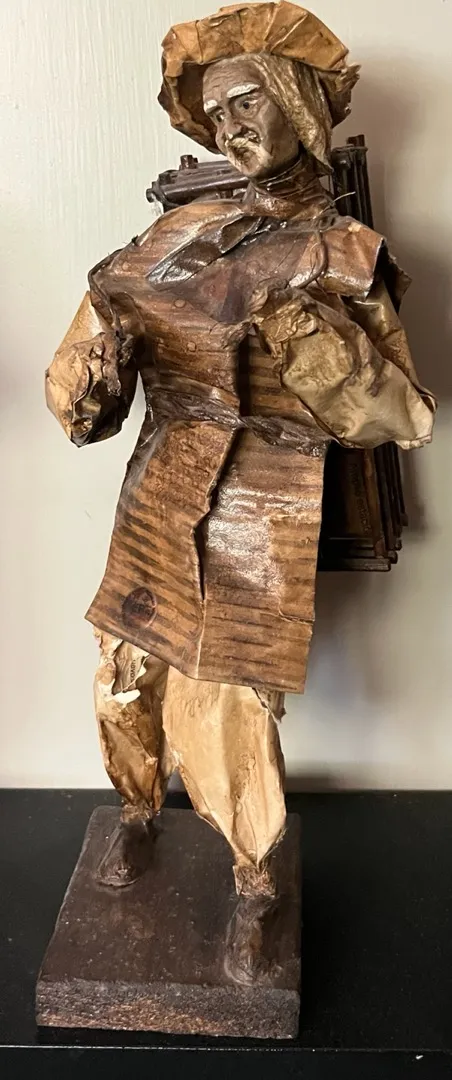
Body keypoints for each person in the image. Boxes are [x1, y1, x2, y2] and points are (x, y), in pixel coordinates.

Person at [45, 2, 435, 983]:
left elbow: (395, 413)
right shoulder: (170, 235)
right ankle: (137, 811)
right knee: (124, 673)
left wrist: (301, 326)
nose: (229, 126)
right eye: (215, 112)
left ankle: (254, 884)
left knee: (230, 704)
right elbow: (90, 372)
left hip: (263, 505)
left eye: (247, 100)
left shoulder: (341, 250)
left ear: (297, 103)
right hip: (159, 488)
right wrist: (91, 383)